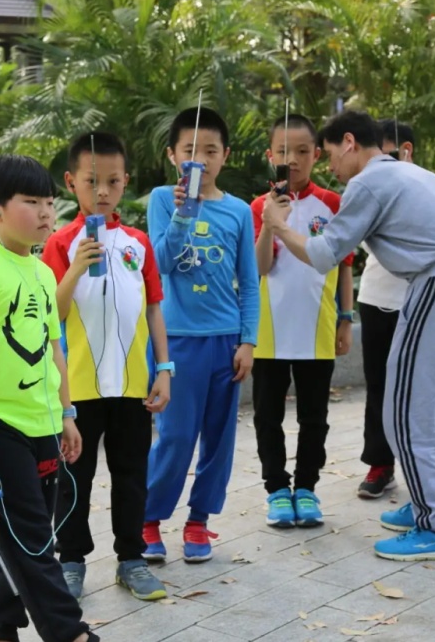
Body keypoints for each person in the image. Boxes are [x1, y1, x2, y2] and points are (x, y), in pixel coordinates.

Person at [260, 110, 435, 562]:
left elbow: (325, 254)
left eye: (331, 153)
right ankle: (428, 503)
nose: (330, 165)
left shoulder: (367, 182)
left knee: (404, 408)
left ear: (350, 142)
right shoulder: (415, 174)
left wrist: (279, 225)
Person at [0, 155, 98, 642]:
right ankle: (69, 633)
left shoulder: (43, 273)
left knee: (26, 530)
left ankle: (1, 626)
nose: (46, 212)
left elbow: (53, 349)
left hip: (42, 420)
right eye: (32, 202)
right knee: (31, 537)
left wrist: (66, 413)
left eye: (49, 202)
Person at [42, 132, 172, 601]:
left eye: (113, 182)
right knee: (74, 479)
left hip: (134, 385)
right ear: (70, 181)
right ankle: (71, 561)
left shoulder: (138, 243)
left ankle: (131, 559)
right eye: (91, 180)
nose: (102, 191)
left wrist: (164, 369)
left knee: (131, 474)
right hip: (76, 390)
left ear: (125, 183)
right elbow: (51, 314)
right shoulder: (60, 244)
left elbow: (154, 308)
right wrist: (76, 267)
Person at [142, 107, 259, 563]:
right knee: (175, 435)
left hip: (225, 341)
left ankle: (199, 521)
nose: (201, 160)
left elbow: (249, 281)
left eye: (211, 151)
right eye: (190, 150)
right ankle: (149, 520)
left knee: (219, 437)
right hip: (177, 339)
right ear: (172, 156)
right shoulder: (161, 200)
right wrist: (182, 215)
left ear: (225, 155)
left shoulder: (239, 211)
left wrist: (248, 340)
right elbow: (161, 265)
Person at [250, 113, 354, 528]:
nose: (291, 159)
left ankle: (307, 488)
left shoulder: (332, 204)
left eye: (302, 151)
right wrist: (269, 224)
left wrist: (346, 319)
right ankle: (277, 489)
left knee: (314, 417)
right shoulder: (258, 206)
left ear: (317, 156)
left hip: (317, 329)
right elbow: (259, 267)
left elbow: (344, 265)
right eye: (282, 151)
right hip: (267, 333)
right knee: (267, 416)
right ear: (269, 155)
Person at [354, 119, 414, 499]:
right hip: (376, 297)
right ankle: (380, 464)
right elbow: (364, 240)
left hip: (417, 300)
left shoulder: (423, 187)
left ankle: (419, 465)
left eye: (388, 153)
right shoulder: (369, 188)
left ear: (407, 151)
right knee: (377, 385)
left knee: (416, 387)